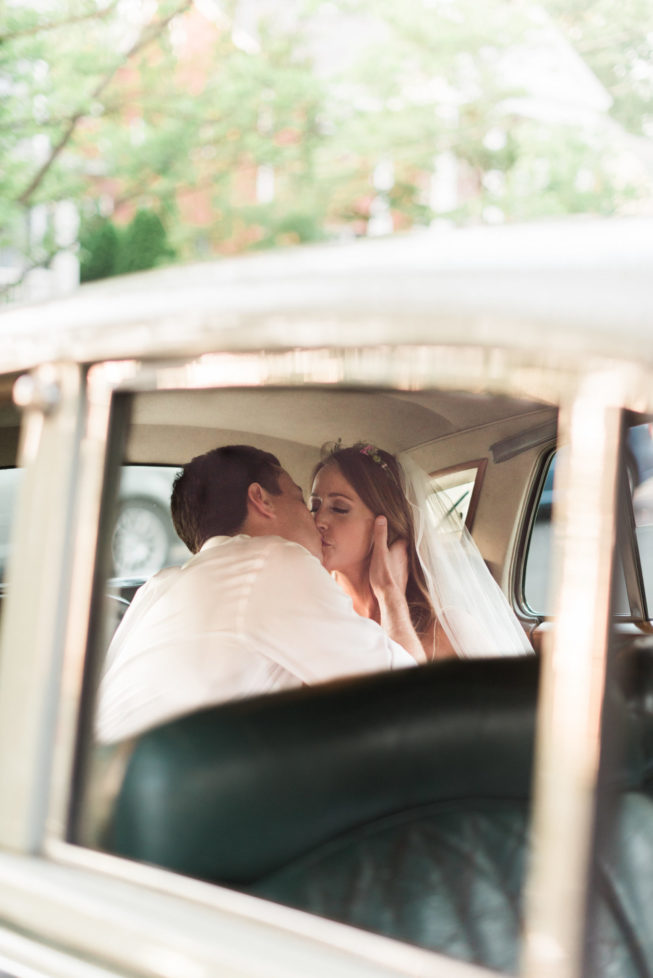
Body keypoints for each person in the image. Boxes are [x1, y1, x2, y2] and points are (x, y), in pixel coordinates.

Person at [96, 445, 420, 744]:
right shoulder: (272, 561)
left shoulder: (159, 586)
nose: (316, 519)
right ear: (260, 499)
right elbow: (414, 698)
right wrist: (390, 594)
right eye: (302, 501)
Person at [310, 442, 533, 661]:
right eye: (314, 506)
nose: (318, 520)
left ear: (386, 524)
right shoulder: (313, 618)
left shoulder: (448, 631)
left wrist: (389, 596)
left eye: (339, 508)